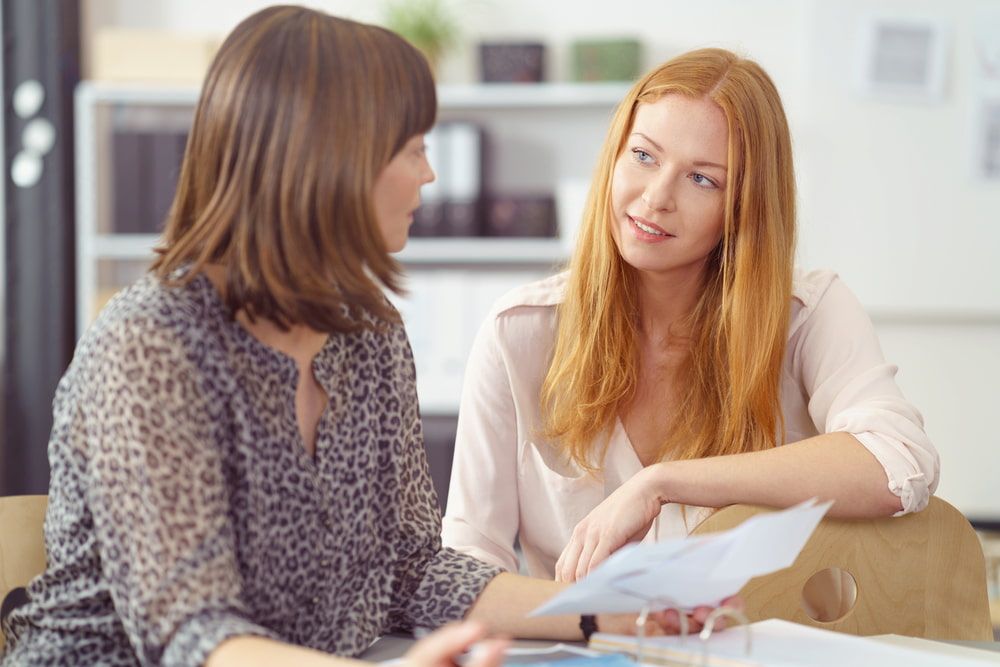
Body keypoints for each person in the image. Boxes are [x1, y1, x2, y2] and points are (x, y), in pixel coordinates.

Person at [0, 7, 718, 667]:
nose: (429, 175)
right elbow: (193, 635)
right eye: (411, 149)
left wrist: (608, 611)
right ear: (329, 163)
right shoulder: (149, 346)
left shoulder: (369, 333)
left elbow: (410, 567)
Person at [442, 48, 940, 583]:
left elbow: (898, 465)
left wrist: (664, 483)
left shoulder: (806, 315)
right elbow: (471, 561)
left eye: (703, 179)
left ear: (745, 206)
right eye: (644, 156)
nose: (656, 197)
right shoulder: (520, 331)